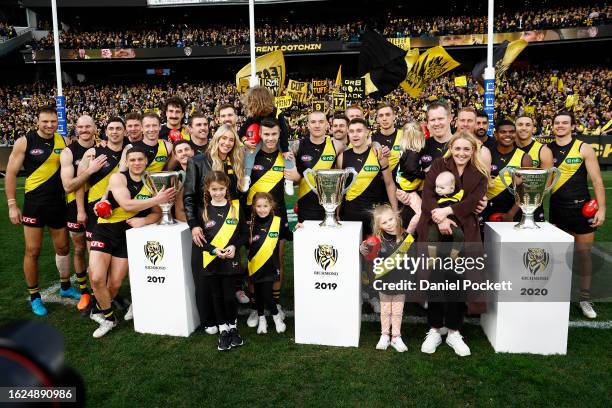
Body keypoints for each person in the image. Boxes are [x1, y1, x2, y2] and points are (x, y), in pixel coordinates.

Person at [417, 132, 489, 357]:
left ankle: (455, 331)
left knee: (458, 282)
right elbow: (427, 194)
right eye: (457, 148)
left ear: (473, 150)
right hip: (434, 230)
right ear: (451, 147)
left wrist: (448, 212)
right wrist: (440, 219)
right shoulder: (438, 165)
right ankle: (435, 329)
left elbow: (473, 201)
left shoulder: (480, 173)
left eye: (466, 149)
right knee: (435, 280)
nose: (461, 153)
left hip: (463, 233)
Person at [88, 146, 174, 338]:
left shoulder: (152, 182)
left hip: (127, 236)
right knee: (96, 277)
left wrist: (143, 220)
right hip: (105, 230)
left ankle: (99, 309)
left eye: (140, 160)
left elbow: (157, 214)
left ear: (146, 162)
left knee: (115, 284)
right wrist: (156, 199)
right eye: (132, 160)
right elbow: (126, 204)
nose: (136, 163)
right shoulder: (118, 178)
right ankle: (109, 319)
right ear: (126, 162)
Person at [5, 106, 76, 316]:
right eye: (45, 121)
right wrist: (11, 204)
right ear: (37, 121)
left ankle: (65, 287)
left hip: (57, 204)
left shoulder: (64, 142)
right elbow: (10, 173)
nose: (49, 125)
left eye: (53, 121)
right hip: (34, 205)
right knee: (32, 251)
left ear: (58, 122)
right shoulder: (24, 142)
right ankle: (35, 296)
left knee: (63, 248)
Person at [184, 124, 247, 330]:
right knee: (204, 275)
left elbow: (236, 197)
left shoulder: (235, 162)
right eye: (224, 139)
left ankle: (227, 317)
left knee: (225, 273)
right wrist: (194, 225)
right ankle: (208, 320)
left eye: (231, 140)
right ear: (216, 139)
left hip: (228, 225)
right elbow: (189, 197)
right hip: (205, 225)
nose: (227, 143)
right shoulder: (198, 161)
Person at [548, 111, 606, 319]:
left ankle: (584, 298)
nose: (561, 126)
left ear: (573, 126)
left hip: (582, 210)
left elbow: (597, 180)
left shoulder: (583, 148)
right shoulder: (547, 150)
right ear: (552, 126)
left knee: (583, 256)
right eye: (557, 122)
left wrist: (602, 209)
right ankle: (559, 295)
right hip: (556, 210)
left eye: (565, 123)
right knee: (557, 257)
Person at [242, 118, 292, 327]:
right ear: (260, 134)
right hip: (252, 216)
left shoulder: (286, 156)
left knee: (277, 260)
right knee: (253, 260)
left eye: (274, 134)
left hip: (277, 216)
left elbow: (295, 178)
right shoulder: (250, 154)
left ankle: (276, 303)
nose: (270, 138)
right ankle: (256, 307)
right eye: (266, 134)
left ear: (279, 134)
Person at [195, 171, 248, 351]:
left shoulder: (236, 207)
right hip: (211, 261)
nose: (218, 193)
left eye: (221, 189)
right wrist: (213, 250)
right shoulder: (202, 210)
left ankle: (233, 326)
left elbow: (244, 234)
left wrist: (234, 246)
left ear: (227, 188)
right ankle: (223, 329)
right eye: (214, 189)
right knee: (216, 296)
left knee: (229, 296)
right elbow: (200, 241)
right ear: (208, 189)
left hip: (230, 261)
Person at [60, 115, 106, 311]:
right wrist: (89, 170)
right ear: (76, 129)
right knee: (79, 249)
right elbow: (68, 185)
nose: (85, 129)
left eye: (89, 126)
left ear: (95, 127)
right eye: (81, 127)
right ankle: (84, 292)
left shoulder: (102, 147)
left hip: (98, 208)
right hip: (75, 208)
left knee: (97, 252)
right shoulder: (69, 152)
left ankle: (99, 293)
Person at [360, 204, 415, 352]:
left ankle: (396, 337)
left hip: (400, 282)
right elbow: (368, 255)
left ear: (396, 216)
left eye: (391, 219)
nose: (389, 223)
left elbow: (413, 259)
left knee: (397, 311)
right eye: (384, 222)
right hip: (384, 282)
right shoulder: (376, 239)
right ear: (379, 226)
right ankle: (384, 335)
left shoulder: (406, 237)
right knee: (385, 310)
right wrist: (363, 249)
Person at [338, 118, 397, 236]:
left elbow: (389, 184)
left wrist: (395, 211)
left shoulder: (378, 154)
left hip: (375, 215)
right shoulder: (342, 157)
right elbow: (339, 189)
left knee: (375, 252)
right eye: (352, 131)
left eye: (359, 130)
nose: (355, 135)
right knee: (352, 251)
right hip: (350, 214)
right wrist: (337, 213)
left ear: (367, 132)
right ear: (348, 133)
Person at [284, 111, 344, 223]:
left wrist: (376, 145)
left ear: (327, 124)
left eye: (321, 122)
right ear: (307, 125)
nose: (317, 125)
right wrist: (295, 177)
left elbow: (362, 144)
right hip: (305, 206)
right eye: (313, 122)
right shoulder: (297, 145)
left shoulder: (337, 145)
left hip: (330, 206)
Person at [247, 192, 289, 334]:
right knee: (258, 294)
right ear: (253, 207)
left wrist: (300, 228)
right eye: (259, 206)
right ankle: (262, 320)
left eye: (265, 206)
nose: (262, 209)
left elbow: (288, 234)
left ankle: (277, 318)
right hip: (255, 266)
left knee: (266, 294)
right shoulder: (250, 224)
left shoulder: (277, 221)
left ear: (271, 206)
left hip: (270, 266)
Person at [238, 86, 293, 193]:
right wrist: (246, 142)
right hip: (261, 140)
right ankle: (247, 177)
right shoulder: (254, 115)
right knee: (250, 153)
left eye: (252, 101)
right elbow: (241, 132)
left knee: (288, 155)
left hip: (277, 139)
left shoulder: (277, 112)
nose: (250, 104)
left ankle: (289, 181)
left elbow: (285, 132)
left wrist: (285, 149)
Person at [483, 119, 533, 226]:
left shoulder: (525, 158)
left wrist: (511, 213)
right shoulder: (486, 153)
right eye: (503, 132)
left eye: (511, 132)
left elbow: (527, 189)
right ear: (496, 134)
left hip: (513, 211)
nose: (508, 135)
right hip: (486, 207)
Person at [394, 122, 426, 231]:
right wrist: (425, 175)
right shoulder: (413, 153)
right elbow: (413, 171)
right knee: (421, 214)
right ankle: (408, 236)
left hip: (406, 186)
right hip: (409, 189)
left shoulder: (406, 150)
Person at [426, 171, 464, 259]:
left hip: (453, 221)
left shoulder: (458, 194)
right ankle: (432, 257)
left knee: (459, 235)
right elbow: (429, 203)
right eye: (437, 187)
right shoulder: (436, 197)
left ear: (452, 188)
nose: (438, 189)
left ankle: (454, 254)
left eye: (442, 188)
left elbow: (469, 200)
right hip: (436, 221)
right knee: (432, 236)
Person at [420, 102, 454, 171]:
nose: (436, 123)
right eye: (432, 120)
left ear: (450, 118)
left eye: (440, 119)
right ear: (428, 122)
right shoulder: (422, 145)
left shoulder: (461, 144)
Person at [171, 139, 194, 222]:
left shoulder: (206, 172)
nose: (184, 153)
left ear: (192, 152)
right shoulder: (178, 180)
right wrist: (195, 225)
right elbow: (179, 213)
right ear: (176, 157)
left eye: (186, 149)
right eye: (180, 151)